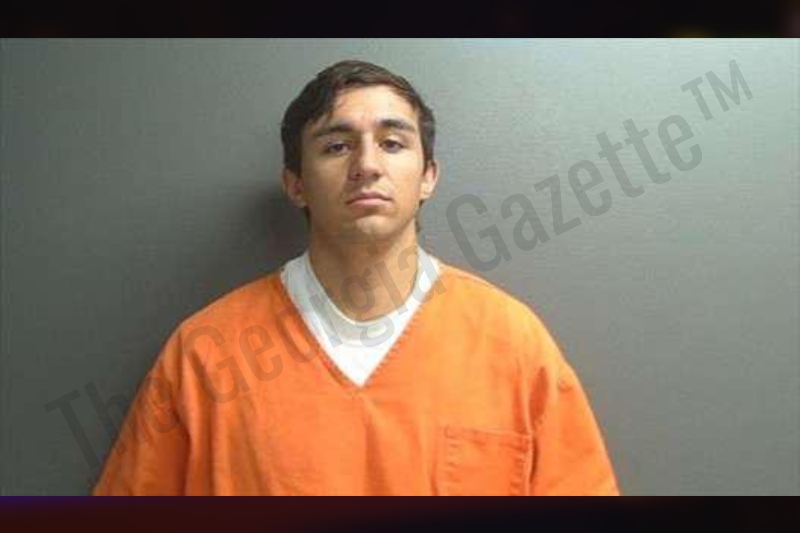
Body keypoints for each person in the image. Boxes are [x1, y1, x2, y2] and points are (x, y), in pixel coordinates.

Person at [92, 60, 619, 496]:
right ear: (295, 184)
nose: (367, 164)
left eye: (392, 143)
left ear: (428, 176)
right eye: (336, 146)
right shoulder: (206, 356)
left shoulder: (513, 345)